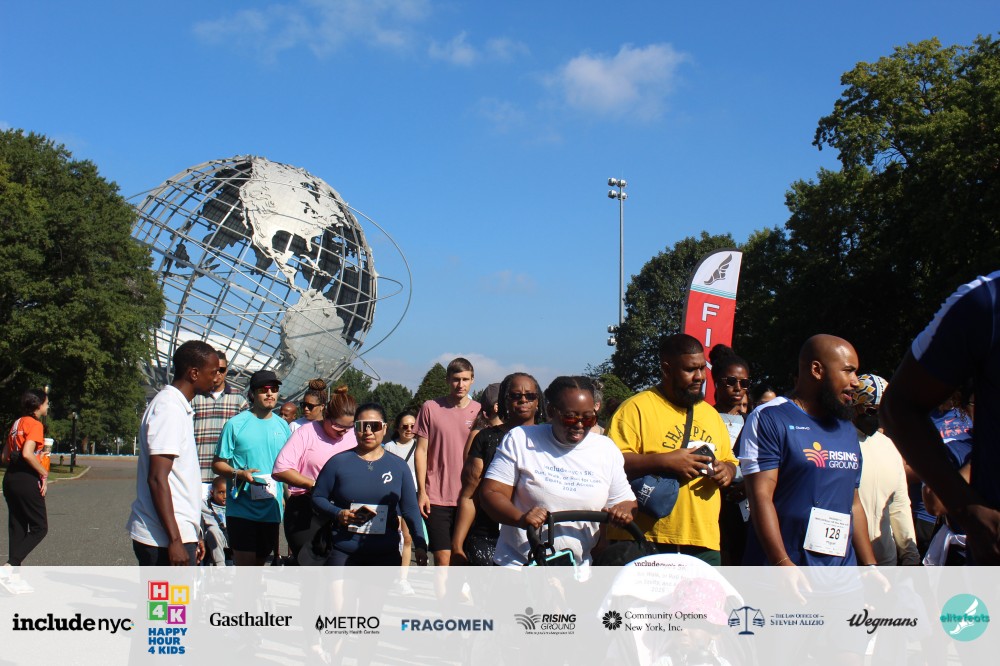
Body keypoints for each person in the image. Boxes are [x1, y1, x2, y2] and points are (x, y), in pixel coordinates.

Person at [881, 270, 1000, 564]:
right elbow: (898, 408)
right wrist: (969, 511)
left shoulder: (965, 423)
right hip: (942, 526)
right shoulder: (985, 301)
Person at [738, 334, 880, 568]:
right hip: (784, 573)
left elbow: (854, 503)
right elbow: (761, 497)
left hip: (841, 574)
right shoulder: (770, 417)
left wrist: (870, 565)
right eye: (848, 371)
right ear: (817, 370)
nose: (856, 382)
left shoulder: (846, 428)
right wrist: (782, 563)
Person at [608, 334, 739, 565]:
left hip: (702, 541)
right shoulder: (635, 408)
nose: (700, 377)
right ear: (667, 370)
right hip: (645, 539)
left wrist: (726, 471)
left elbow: (730, 461)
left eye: (702, 368)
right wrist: (666, 461)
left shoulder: (710, 415)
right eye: (690, 370)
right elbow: (611, 463)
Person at [480, 376, 636, 567]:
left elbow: (626, 501)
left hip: (578, 569)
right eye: (570, 417)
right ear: (551, 411)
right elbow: (491, 493)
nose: (579, 425)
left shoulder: (606, 449)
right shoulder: (520, 439)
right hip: (520, 566)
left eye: (588, 418)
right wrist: (521, 518)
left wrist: (623, 511)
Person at [127, 340, 219, 566]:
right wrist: (176, 540)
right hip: (162, 540)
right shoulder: (168, 409)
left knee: (178, 592)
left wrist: (192, 533)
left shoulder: (178, 407)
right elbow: (157, 478)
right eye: (213, 372)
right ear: (194, 373)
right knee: (169, 592)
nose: (216, 378)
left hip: (175, 534)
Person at [311, 403, 428, 566]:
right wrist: (338, 513)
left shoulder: (399, 466)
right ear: (354, 429)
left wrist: (420, 544)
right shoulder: (337, 462)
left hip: (386, 554)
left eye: (374, 426)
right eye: (362, 426)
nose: (368, 431)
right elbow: (317, 497)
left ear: (385, 428)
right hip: (343, 550)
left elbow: (410, 509)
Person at [452, 373, 546, 566]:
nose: (523, 400)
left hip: (537, 538)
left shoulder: (550, 440)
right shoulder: (486, 438)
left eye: (530, 396)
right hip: (488, 537)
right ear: (504, 400)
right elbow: (470, 495)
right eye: (516, 395)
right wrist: (457, 546)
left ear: (538, 401)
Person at [212, 369, 291, 566]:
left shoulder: (283, 426)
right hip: (242, 509)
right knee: (246, 568)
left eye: (274, 389)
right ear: (252, 394)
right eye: (264, 389)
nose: (270, 393)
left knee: (259, 566)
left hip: (271, 509)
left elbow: (287, 467)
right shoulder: (235, 424)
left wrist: (288, 497)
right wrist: (238, 473)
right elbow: (217, 464)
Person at [272, 386, 358, 563]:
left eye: (348, 427)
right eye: (338, 426)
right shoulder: (306, 432)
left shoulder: (353, 435)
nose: (343, 432)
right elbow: (281, 469)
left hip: (342, 510)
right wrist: (314, 484)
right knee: (311, 565)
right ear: (326, 415)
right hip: (307, 510)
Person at [414, 357, 481, 566]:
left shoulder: (480, 411)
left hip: (469, 497)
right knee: (443, 560)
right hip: (436, 496)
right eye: (455, 379)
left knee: (461, 560)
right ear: (447, 380)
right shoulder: (431, 407)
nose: (460, 384)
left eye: (465, 379)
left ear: (472, 380)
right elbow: (421, 451)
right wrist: (422, 491)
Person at [852, 374, 919, 566]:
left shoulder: (888, 447)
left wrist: (910, 553)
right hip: (848, 560)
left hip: (885, 559)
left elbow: (899, 504)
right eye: (872, 410)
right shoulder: (838, 443)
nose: (878, 417)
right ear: (854, 405)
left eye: (883, 410)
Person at [1, 388, 51, 593]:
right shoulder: (35, 424)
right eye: (46, 402)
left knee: (18, 527)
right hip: (26, 479)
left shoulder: (16, 423)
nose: (48, 406)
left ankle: (13, 578)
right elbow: (28, 454)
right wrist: (43, 473)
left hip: (10, 479)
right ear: (38, 405)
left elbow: (5, 456)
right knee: (40, 527)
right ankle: (8, 567)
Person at [708, 344, 752, 566]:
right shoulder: (704, 418)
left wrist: (747, 486)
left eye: (744, 383)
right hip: (710, 503)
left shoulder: (755, 422)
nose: (738, 388)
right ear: (717, 382)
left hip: (747, 508)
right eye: (731, 381)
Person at [190, 351, 248, 483]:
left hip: (226, 477)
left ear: (226, 371)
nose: (218, 373)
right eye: (214, 370)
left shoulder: (239, 399)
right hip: (197, 474)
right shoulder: (194, 397)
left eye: (221, 370)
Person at [383, 409, 420, 592]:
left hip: (413, 494)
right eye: (405, 426)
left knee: (407, 537)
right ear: (397, 428)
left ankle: (403, 578)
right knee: (394, 535)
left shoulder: (420, 446)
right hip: (394, 496)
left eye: (413, 426)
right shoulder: (390, 447)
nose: (409, 429)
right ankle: (391, 573)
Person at [201, 476, 231, 566]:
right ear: (212, 492)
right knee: (213, 530)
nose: (225, 496)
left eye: (227, 492)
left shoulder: (234, 505)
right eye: (221, 492)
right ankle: (220, 565)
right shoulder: (206, 506)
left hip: (231, 537)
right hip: (216, 538)